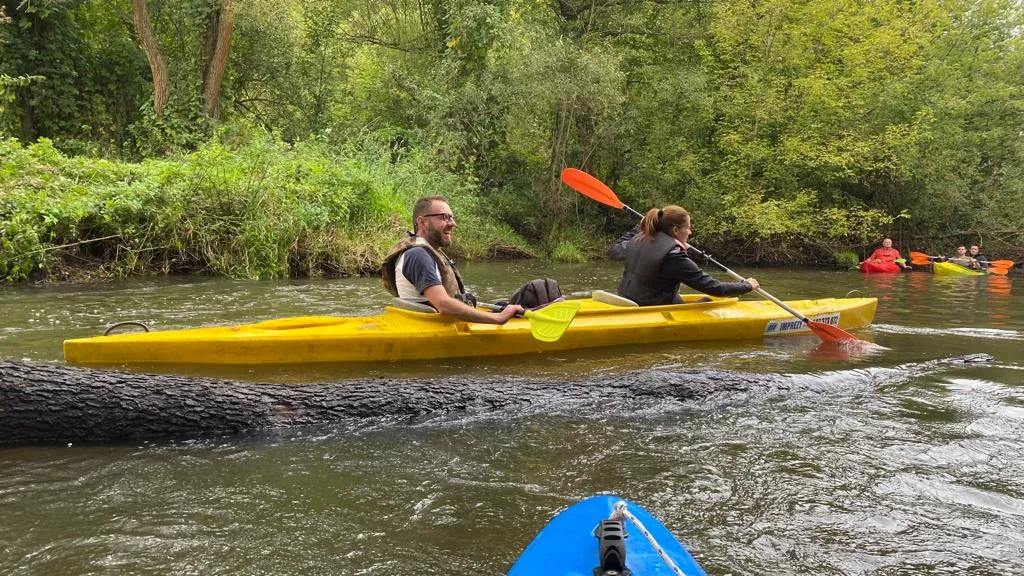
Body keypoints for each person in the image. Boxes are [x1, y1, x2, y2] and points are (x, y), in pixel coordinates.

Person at [381, 195, 524, 324]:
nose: (452, 223)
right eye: (444, 217)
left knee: (511, 303)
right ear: (422, 222)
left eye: (452, 217)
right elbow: (443, 304)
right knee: (532, 293)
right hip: (433, 326)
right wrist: (498, 318)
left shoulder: (426, 251)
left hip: (441, 323)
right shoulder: (418, 255)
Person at [615, 205, 760, 306]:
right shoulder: (673, 256)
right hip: (650, 306)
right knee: (708, 302)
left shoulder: (636, 239)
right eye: (688, 228)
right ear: (676, 230)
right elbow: (713, 287)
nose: (690, 233)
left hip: (627, 298)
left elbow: (613, 250)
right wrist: (746, 286)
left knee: (679, 297)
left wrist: (639, 228)